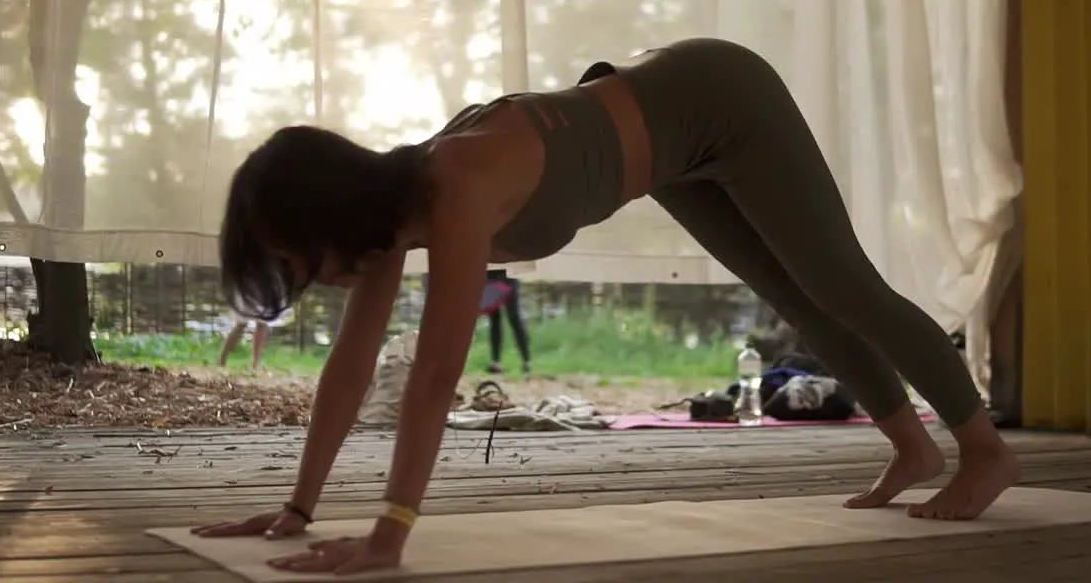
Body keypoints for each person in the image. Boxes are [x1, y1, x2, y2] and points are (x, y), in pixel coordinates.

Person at [192, 38, 1020, 576]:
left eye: (302, 260)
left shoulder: (457, 185)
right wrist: (300, 509)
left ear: (328, 217)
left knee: (842, 285)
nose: (317, 282)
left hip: (719, 96)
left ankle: (981, 447)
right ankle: (912, 450)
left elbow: (438, 373)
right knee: (793, 295)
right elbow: (351, 366)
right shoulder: (384, 223)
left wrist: (391, 532)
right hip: (666, 145)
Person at [485, 269, 531, 375]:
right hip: (491, 272)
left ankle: (526, 361)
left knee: (514, 316)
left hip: (509, 271)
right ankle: (496, 362)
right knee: (494, 317)